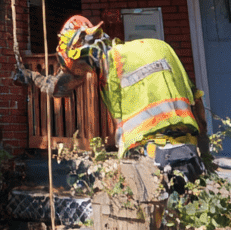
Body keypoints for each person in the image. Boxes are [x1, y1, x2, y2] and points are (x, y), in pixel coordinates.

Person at [18, 16, 208, 191]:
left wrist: (30, 76)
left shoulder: (111, 63)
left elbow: (60, 87)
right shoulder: (160, 47)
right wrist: (204, 149)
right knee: (190, 215)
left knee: (149, 220)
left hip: (149, 156)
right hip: (189, 150)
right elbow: (196, 101)